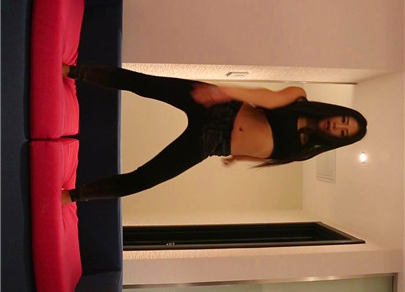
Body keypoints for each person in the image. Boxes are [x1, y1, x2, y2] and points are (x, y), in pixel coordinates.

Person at [61, 64, 367, 204]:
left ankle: (74, 196)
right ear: (336, 112)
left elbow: (270, 153)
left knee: (144, 179)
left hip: (213, 143)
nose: (337, 126)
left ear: (338, 140)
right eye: (343, 120)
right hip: (221, 108)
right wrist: (224, 91)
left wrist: (238, 158)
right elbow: (266, 97)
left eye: (343, 132)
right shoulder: (298, 98)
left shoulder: (305, 150)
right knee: (145, 84)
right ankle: (74, 72)